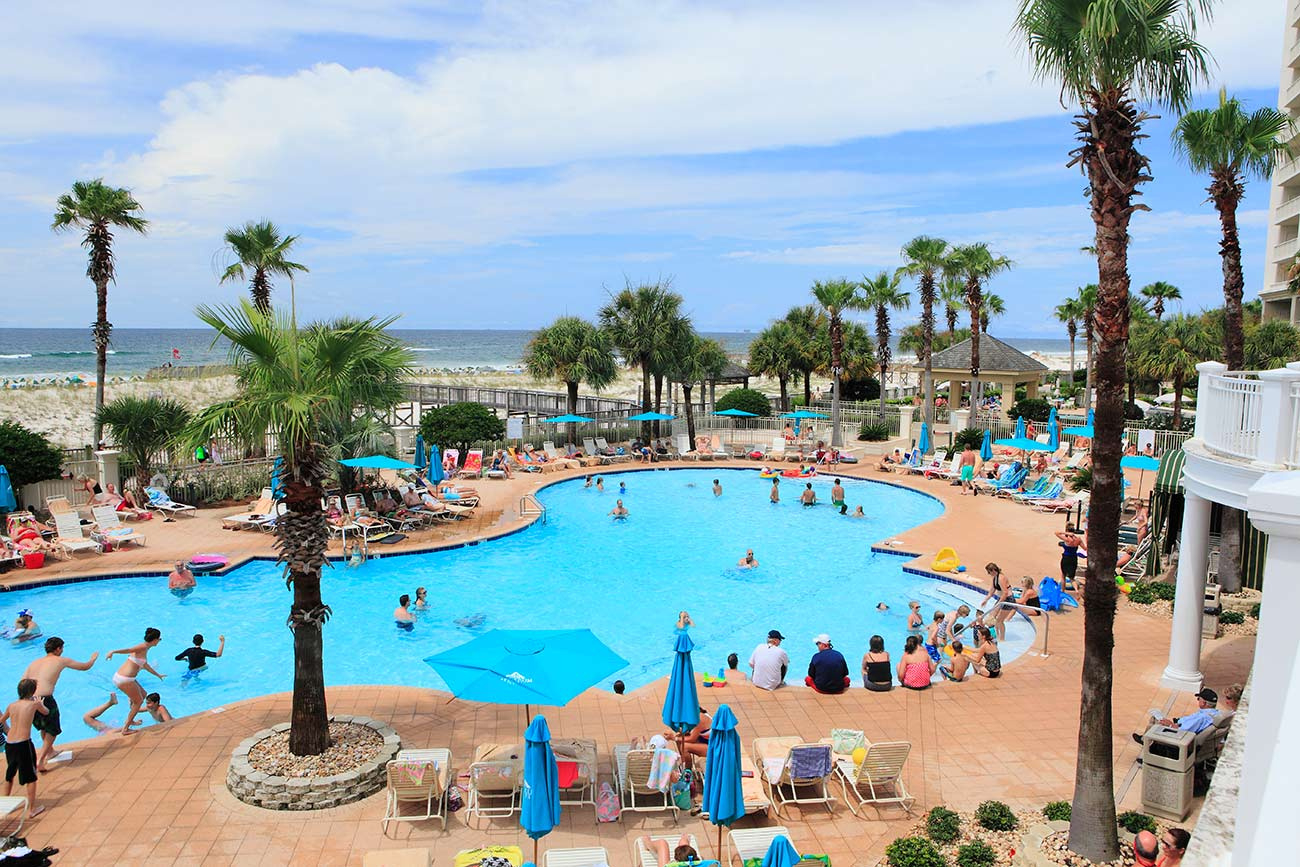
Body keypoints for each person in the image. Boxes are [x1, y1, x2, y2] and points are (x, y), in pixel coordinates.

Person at [22, 637, 97, 771]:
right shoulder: (60, 660)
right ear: (58, 649)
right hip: (44, 699)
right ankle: (40, 760)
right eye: (62, 648)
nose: (62, 651)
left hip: (29, 699)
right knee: (53, 729)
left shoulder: (34, 663)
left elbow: (23, 681)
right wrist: (93, 659)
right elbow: (85, 667)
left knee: (43, 727)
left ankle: (50, 752)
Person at [1, 679, 49, 818]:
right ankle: (32, 809)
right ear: (32, 692)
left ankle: (5, 804)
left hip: (10, 743)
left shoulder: (11, 705)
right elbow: (46, 712)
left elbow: (1, 720)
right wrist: (40, 704)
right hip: (23, 744)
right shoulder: (33, 704)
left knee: (10, 774)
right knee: (31, 777)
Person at [107, 627, 166, 733]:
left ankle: (131, 719)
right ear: (155, 640)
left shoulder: (145, 649)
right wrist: (113, 652)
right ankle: (125, 728)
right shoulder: (143, 646)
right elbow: (129, 650)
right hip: (125, 679)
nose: (159, 641)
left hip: (127, 678)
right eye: (159, 639)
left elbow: (145, 665)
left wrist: (158, 675)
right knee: (138, 701)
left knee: (143, 694)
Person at [1132, 688, 1220, 744]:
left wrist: (1170, 725)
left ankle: (1146, 742)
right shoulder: (1215, 713)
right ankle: (1145, 740)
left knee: (1157, 724)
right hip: (1181, 728)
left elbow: (1183, 730)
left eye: (1198, 699)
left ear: (1204, 703)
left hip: (1180, 736)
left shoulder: (1202, 717)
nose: (1198, 701)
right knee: (1155, 719)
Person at [1055, 525, 1085, 590]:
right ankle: (1076, 590)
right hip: (1074, 558)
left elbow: (1056, 533)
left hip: (1066, 558)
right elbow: (1085, 548)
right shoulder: (1078, 539)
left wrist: (1066, 533)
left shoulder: (1067, 539)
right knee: (1072, 578)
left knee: (1063, 576)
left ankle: (1063, 591)